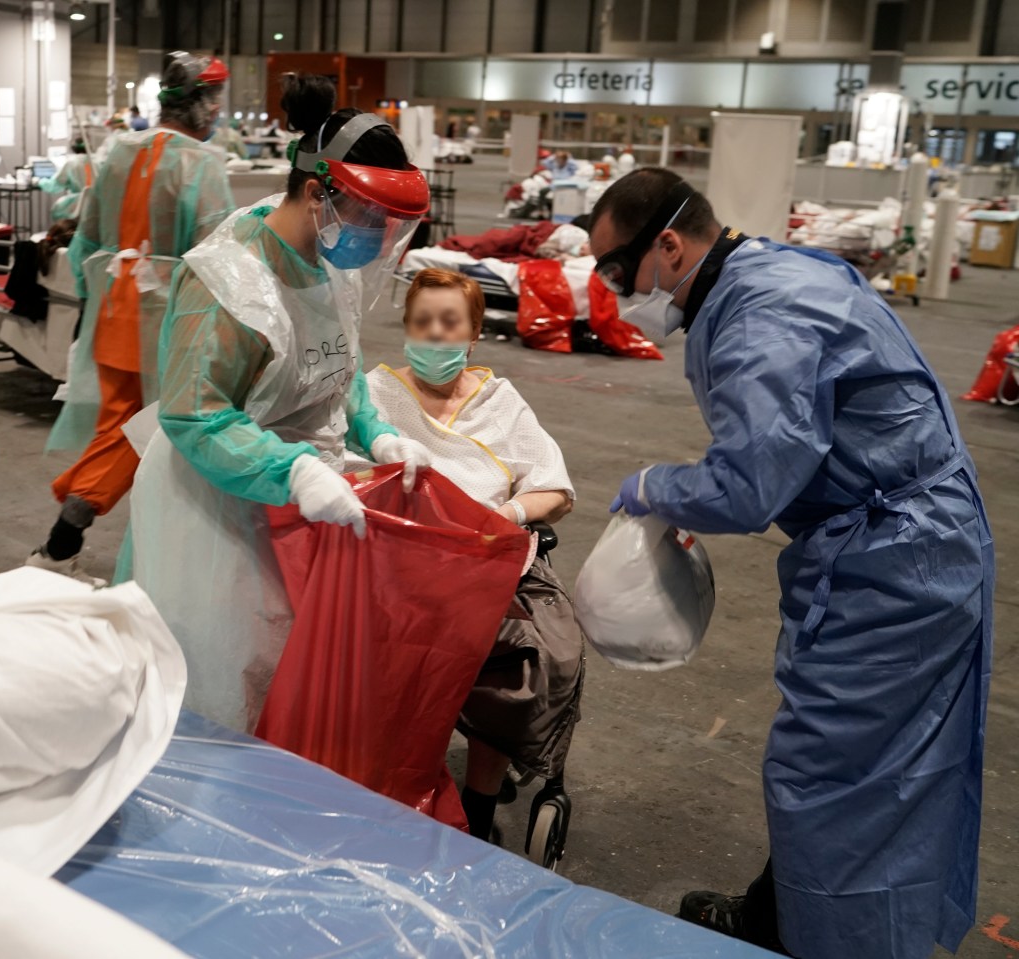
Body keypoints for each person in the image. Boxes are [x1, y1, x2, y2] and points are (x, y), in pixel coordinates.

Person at [590, 168, 992, 959]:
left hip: (894, 559)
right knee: (875, 763)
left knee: (827, 770)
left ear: (668, 246)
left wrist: (654, 488)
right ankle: (783, 913)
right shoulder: (764, 269)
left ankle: (823, 941)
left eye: (615, 270)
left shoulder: (760, 316)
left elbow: (747, 484)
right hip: (915, 534)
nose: (610, 289)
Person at [127, 72, 431, 732]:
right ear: (318, 192)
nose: (377, 236)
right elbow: (195, 413)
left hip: (301, 501)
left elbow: (336, 361)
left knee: (294, 668)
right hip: (217, 506)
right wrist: (289, 470)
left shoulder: (328, 258)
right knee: (227, 677)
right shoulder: (227, 280)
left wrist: (375, 431)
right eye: (371, 216)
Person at [365, 268, 580, 856]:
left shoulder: (500, 402)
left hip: (490, 560)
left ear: (475, 333)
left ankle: (480, 809)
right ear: (406, 328)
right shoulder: (375, 395)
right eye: (422, 322)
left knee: (525, 661)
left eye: (449, 323)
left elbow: (555, 489)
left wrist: (508, 515)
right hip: (401, 567)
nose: (435, 335)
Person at [30, 51, 236, 580]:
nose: (217, 112)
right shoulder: (202, 164)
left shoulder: (118, 151)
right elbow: (214, 254)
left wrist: (95, 298)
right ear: (197, 102)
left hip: (114, 306)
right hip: (170, 318)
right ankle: (65, 539)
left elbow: (88, 240)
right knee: (147, 431)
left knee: (120, 425)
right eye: (213, 101)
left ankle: (68, 538)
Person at [37, 139, 92, 222]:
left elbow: (54, 186)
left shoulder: (72, 163)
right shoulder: (97, 161)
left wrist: (40, 182)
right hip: (95, 204)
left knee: (59, 211)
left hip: (77, 205)